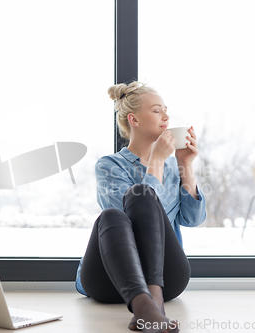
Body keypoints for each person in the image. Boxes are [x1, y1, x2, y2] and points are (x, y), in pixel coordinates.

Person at [75, 81, 206, 333]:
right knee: (114, 213)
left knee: (141, 194)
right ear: (134, 120)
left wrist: (185, 165)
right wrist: (156, 160)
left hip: (166, 278)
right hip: (110, 280)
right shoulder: (109, 166)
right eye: (157, 110)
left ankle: (152, 304)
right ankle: (144, 305)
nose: (166, 116)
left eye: (166, 110)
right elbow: (127, 222)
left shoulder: (172, 168)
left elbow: (192, 219)